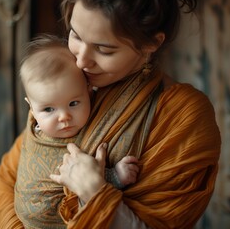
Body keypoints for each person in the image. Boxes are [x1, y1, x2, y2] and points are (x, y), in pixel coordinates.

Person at [0, 0, 221, 228]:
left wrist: (94, 192)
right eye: (76, 36)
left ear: (151, 43)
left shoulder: (182, 115)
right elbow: (13, 177)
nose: (81, 61)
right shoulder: (68, 83)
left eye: (104, 49)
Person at [15, 35, 139, 228]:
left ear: (90, 92)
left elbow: (85, 178)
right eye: (48, 109)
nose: (64, 117)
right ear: (30, 107)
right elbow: (71, 174)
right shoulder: (35, 133)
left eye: (73, 103)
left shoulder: (95, 125)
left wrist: (112, 176)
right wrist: (115, 177)